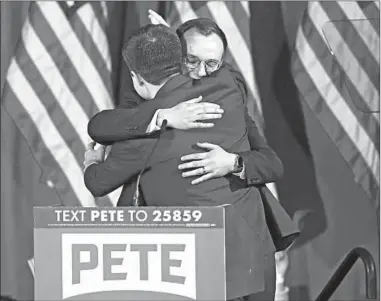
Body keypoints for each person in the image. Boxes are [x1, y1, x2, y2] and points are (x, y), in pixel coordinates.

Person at [84, 20, 299, 301]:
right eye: (191, 60)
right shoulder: (228, 90)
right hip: (239, 258)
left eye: (211, 64)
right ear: (177, 57)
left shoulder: (147, 133)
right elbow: (107, 122)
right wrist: (161, 115)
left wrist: (234, 162)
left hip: (205, 263)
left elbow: (98, 174)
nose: (201, 72)